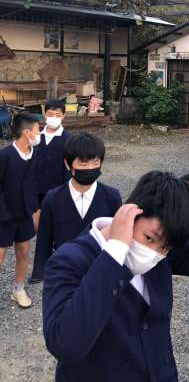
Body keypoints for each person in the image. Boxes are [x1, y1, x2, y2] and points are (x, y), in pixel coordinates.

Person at [42, 171, 189, 382]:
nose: (154, 252)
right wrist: (114, 253)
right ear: (131, 212)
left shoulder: (157, 253)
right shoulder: (70, 260)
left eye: (166, 248)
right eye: (149, 238)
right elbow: (65, 344)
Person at [30, 133, 122, 282]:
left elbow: (118, 238)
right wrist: (42, 273)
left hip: (99, 272)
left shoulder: (112, 196)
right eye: (83, 164)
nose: (90, 168)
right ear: (67, 164)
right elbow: (44, 241)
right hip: (64, 271)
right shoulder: (53, 198)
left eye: (95, 162)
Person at [0, 113, 40, 308]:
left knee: (23, 251)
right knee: (0, 254)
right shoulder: (5, 155)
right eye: (37, 130)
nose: (39, 133)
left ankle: (19, 289)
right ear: (27, 133)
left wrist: (34, 208)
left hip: (25, 212)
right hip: (4, 214)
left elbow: (34, 182)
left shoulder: (35, 154)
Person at [32, 99, 71, 233]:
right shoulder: (36, 135)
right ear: (44, 114)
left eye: (58, 114)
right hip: (36, 188)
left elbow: (70, 168)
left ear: (63, 116)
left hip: (58, 189)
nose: (53, 117)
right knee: (38, 223)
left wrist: (66, 190)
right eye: (50, 114)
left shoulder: (68, 138)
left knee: (56, 222)